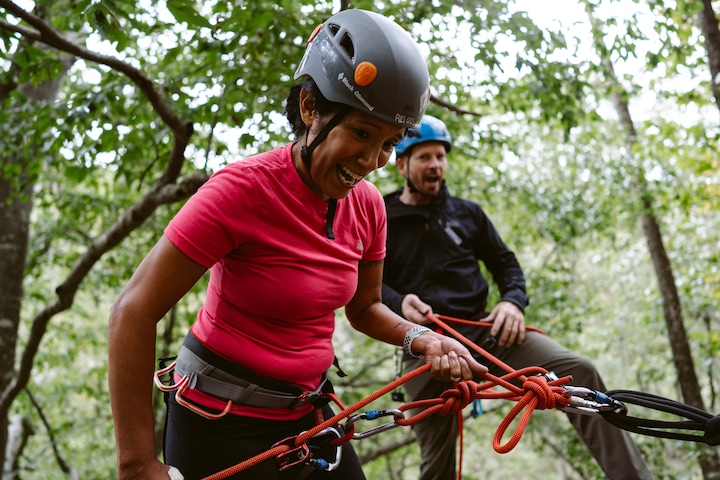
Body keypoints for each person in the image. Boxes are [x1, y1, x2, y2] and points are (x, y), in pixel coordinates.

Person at [107, 10, 488, 480]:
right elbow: (133, 310)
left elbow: (364, 307)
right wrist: (137, 464)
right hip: (218, 421)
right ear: (310, 107)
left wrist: (421, 337)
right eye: (362, 133)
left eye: (389, 143)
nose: (372, 161)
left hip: (307, 417)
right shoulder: (242, 191)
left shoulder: (368, 207)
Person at [381, 114, 654, 480]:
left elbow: (505, 263)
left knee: (578, 373)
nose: (435, 165)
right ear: (402, 164)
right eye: (424, 157)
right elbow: (366, 286)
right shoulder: (382, 216)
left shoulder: (466, 214)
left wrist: (512, 301)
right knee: (438, 458)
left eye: (440, 157)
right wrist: (400, 303)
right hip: (423, 344)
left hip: (486, 333)